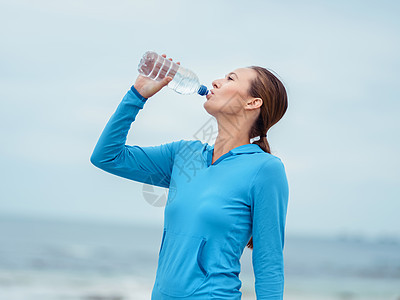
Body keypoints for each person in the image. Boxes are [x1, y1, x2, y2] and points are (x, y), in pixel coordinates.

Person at [90, 54, 289, 299]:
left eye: (230, 79)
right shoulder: (183, 155)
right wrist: (137, 95)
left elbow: (269, 264)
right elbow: (107, 156)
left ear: (252, 103)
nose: (216, 82)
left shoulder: (265, 169)